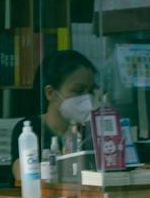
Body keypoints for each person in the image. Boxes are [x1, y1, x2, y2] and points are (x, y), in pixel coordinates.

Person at [13, 50, 99, 183]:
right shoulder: (30, 129)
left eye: (91, 91)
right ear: (51, 93)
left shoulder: (92, 130)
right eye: (78, 91)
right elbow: (22, 175)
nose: (87, 99)